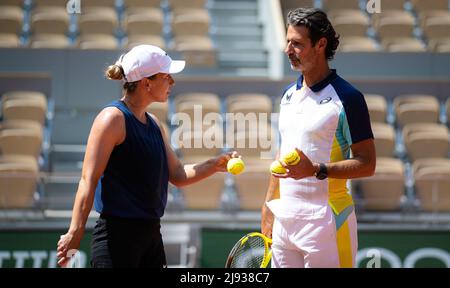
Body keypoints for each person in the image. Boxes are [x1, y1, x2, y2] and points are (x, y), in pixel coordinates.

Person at [56, 45, 240, 268]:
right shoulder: (111, 119)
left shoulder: (154, 124)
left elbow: (178, 175)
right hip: (116, 241)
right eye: (167, 76)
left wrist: (215, 164)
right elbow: (88, 180)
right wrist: (74, 232)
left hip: (151, 238)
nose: (172, 82)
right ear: (146, 83)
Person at [261, 8, 376, 268]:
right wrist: (268, 205)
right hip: (285, 221)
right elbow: (282, 152)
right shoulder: (288, 95)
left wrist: (315, 170)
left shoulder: (349, 98)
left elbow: (368, 164)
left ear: (321, 44)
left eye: (297, 44)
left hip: (329, 221)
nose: (288, 50)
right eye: (288, 42)